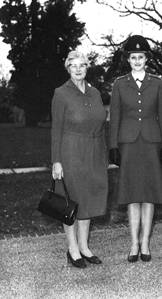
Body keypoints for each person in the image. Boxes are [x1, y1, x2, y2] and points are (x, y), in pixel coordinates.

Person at [108, 35, 162, 263]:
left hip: (151, 143)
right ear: (128, 59)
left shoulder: (158, 83)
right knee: (133, 195)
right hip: (129, 144)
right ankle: (134, 243)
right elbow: (115, 117)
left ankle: (146, 243)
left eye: (140, 57)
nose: (137, 61)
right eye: (133, 57)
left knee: (150, 194)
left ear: (147, 59)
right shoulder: (119, 84)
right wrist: (113, 146)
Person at [51, 50, 108, 269]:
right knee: (71, 201)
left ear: (87, 67)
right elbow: (56, 129)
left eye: (82, 65)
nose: (78, 69)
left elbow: (101, 124)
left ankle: (84, 246)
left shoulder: (94, 92)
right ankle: (73, 249)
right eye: (73, 65)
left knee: (89, 198)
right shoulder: (61, 93)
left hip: (93, 149)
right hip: (71, 151)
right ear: (67, 68)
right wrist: (56, 161)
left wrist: (102, 154)